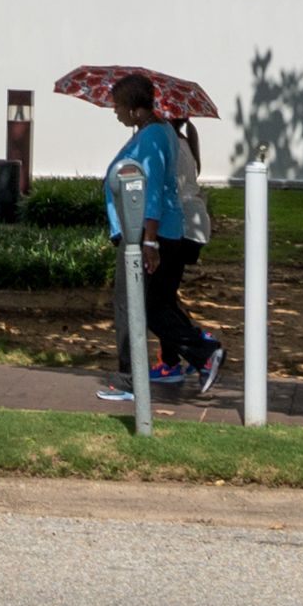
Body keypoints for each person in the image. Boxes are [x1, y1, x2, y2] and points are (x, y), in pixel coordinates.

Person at [98, 90, 220, 401]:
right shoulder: (161, 135)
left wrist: (149, 240)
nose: (115, 112)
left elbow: (149, 190)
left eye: (119, 105)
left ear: (136, 109)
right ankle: (184, 357)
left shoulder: (155, 137)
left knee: (139, 305)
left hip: (150, 232)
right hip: (157, 230)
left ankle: (138, 376)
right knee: (155, 304)